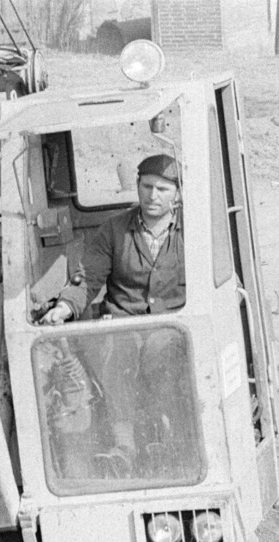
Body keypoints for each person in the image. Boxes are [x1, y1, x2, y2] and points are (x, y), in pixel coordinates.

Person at [39, 153, 188, 476]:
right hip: (125, 323)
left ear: (177, 193)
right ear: (136, 186)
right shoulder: (114, 230)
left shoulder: (191, 232)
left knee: (165, 351)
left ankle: (171, 441)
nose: (152, 195)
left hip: (175, 325)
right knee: (118, 351)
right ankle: (126, 448)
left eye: (163, 189)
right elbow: (87, 276)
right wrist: (64, 307)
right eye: (147, 186)